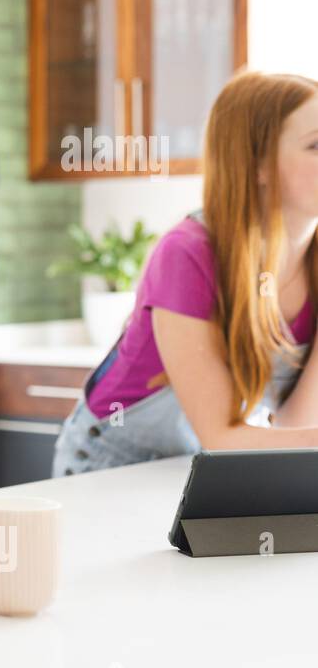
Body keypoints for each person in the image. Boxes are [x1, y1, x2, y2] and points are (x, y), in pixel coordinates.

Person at [54, 72, 318, 475]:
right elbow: (222, 439)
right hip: (111, 468)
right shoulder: (189, 254)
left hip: (206, 469)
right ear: (258, 163)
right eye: (315, 145)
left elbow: (292, 428)